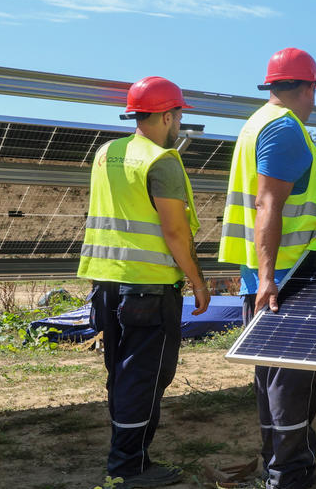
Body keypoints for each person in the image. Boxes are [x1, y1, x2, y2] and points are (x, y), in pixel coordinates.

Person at [218, 48, 316, 489]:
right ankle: (289, 477)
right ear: (307, 87)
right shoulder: (285, 129)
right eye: (315, 90)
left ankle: (287, 469)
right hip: (288, 281)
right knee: (292, 388)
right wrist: (270, 278)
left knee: (281, 383)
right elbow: (268, 203)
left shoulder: (257, 123)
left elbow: (293, 196)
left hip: (273, 277)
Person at [80, 76, 210, 488]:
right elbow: (174, 232)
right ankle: (128, 468)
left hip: (107, 286)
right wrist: (199, 282)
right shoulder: (161, 160)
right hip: (149, 291)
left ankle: (126, 456)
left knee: (121, 374)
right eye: (178, 118)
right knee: (145, 378)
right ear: (168, 115)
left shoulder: (107, 153)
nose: (179, 127)